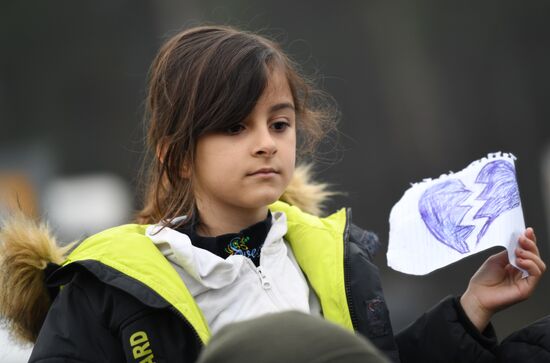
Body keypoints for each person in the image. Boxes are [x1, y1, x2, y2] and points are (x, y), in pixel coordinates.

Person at [0, 25, 546, 363]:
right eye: (235, 128)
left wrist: (471, 307)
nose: (266, 144)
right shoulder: (106, 291)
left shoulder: (338, 258)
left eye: (279, 124)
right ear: (177, 154)